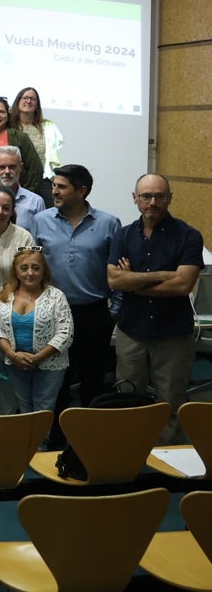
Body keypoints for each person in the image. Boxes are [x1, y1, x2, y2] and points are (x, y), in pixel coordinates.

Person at [108, 174, 205, 443]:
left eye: (159, 196)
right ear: (135, 199)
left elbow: (183, 285)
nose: (152, 202)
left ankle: (168, 465)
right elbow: (115, 280)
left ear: (170, 198)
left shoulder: (189, 236)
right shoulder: (123, 234)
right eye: (146, 196)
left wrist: (134, 283)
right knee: (127, 400)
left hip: (173, 333)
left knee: (172, 402)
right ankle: (129, 456)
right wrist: (163, 275)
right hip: (132, 330)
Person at [29, 164, 121, 409]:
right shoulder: (40, 221)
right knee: (56, 381)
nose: (55, 191)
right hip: (52, 314)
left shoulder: (109, 223)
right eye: (54, 186)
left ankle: (90, 438)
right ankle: (57, 440)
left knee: (93, 379)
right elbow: (29, 266)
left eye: (61, 187)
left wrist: (114, 310)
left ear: (81, 191)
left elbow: (120, 271)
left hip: (94, 313)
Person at [0, 249, 73, 420]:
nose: (30, 273)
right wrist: (12, 355)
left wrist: (37, 358)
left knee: (43, 411)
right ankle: (28, 447)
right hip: (15, 363)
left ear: (44, 271)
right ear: (16, 271)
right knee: (25, 408)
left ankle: (41, 447)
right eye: (24, 268)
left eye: (36, 268)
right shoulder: (3, 293)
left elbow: (65, 333)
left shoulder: (56, 297)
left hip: (50, 364)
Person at [0, 186, 34, 415]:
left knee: (8, 366)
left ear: (12, 211)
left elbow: (30, 276)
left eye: (6, 208)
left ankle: (6, 416)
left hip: (11, 313)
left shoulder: (23, 236)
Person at [0, 96, 43, 191]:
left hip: (15, 195)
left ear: (7, 115)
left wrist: (27, 193)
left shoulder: (20, 137)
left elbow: (35, 168)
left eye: (2, 112)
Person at [0, 146, 45, 228]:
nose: (7, 172)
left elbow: (41, 236)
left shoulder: (35, 202)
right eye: (2, 167)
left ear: (20, 167)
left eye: (12, 167)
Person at [10, 86, 64, 187]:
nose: (29, 101)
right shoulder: (9, 126)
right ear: (18, 101)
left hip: (42, 180)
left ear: (37, 104)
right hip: (13, 179)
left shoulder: (47, 127)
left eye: (33, 99)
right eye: (25, 98)